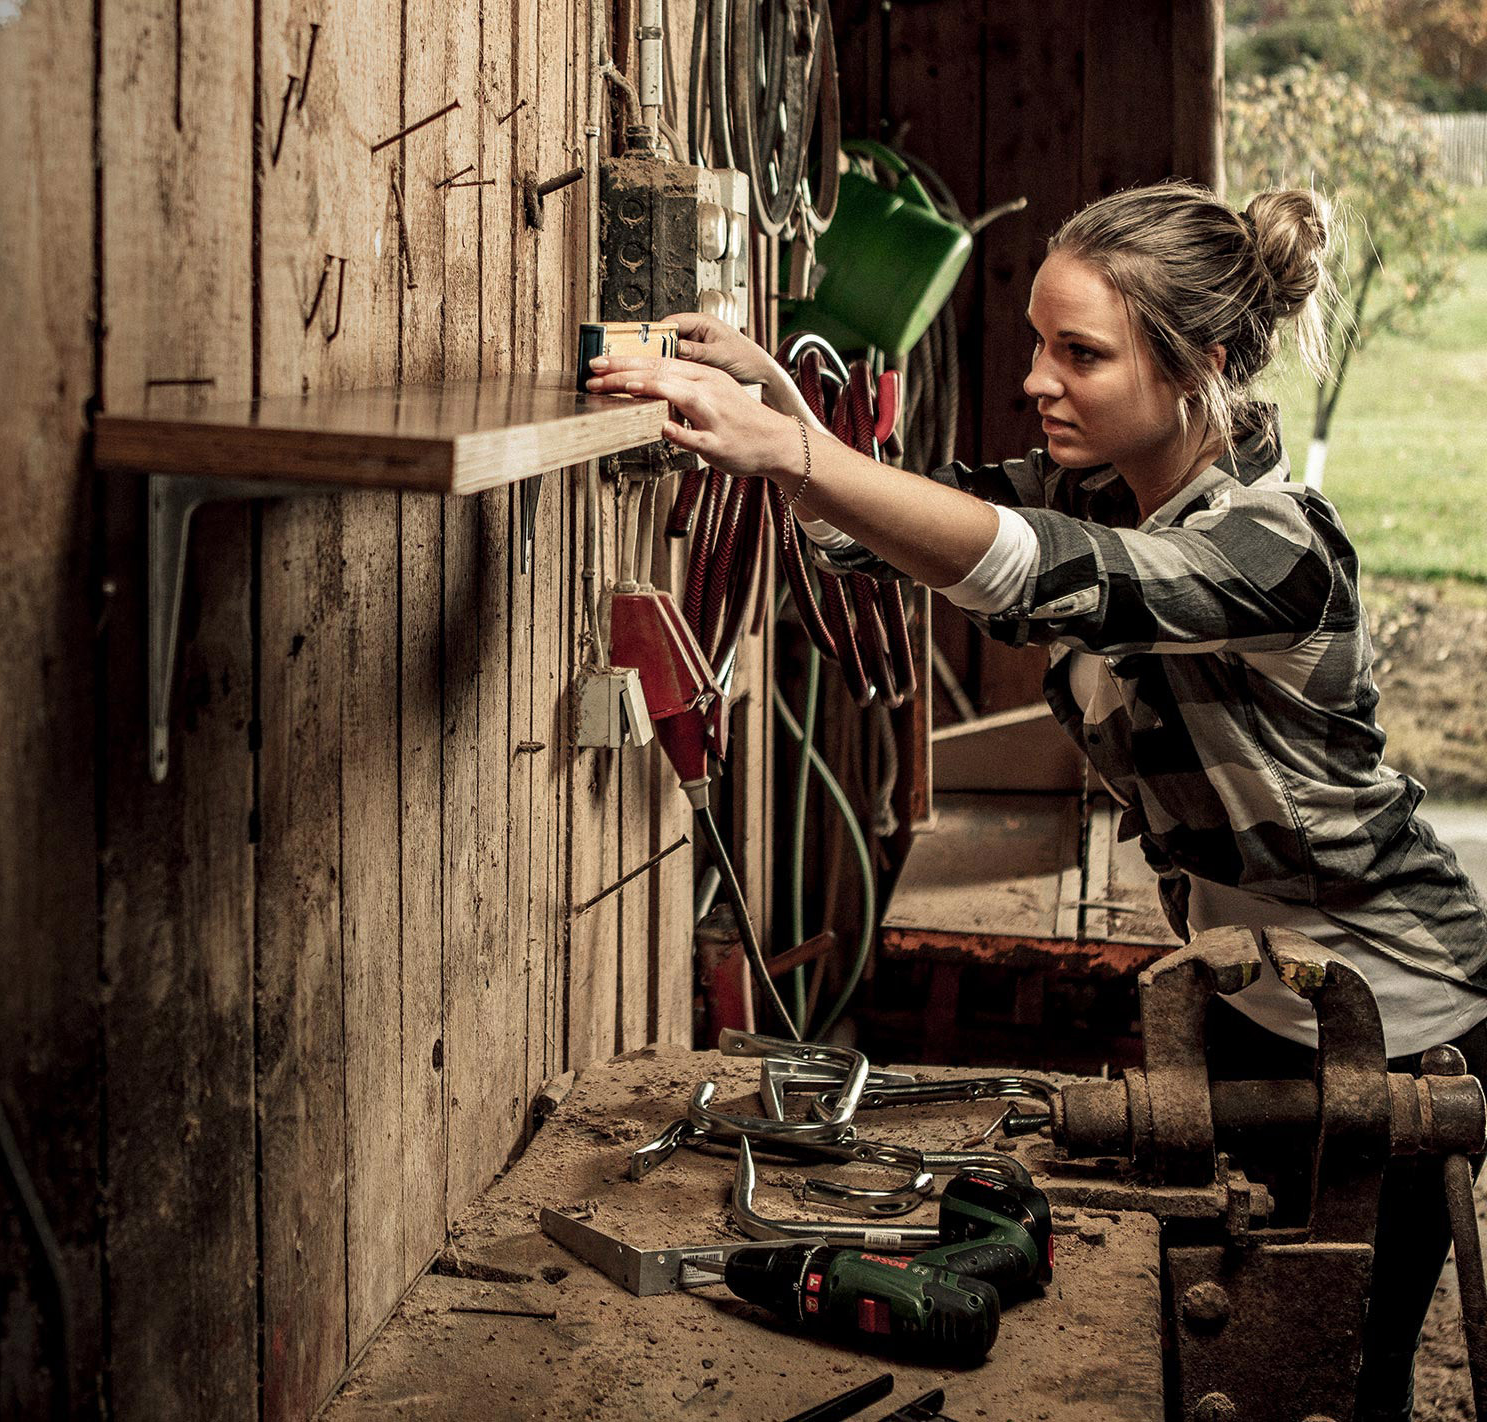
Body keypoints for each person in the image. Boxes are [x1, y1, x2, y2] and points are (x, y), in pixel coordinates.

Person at [585, 179, 1487, 1421]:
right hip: (1250, 991)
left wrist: (801, 451)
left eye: (1080, 353)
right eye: (1036, 345)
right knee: (1212, 1342)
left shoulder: (1276, 545)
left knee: (1329, 1373)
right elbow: (885, 523)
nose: (1036, 381)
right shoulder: (1105, 484)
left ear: (1200, 364)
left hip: (1397, 1013)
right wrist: (782, 411)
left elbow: (1044, 572)